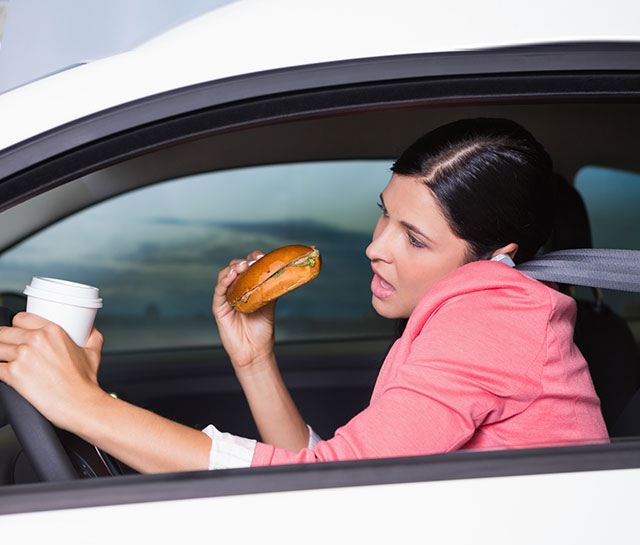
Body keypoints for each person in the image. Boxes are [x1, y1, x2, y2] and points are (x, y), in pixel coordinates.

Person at [0, 118, 608, 474]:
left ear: (496, 256)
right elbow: (350, 473)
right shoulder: (487, 311)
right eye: (385, 217)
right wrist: (255, 359)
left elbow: (334, 486)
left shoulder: (494, 316)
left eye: (415, 239)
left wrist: (82, 406)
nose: (377, 248)